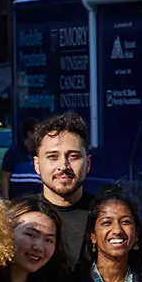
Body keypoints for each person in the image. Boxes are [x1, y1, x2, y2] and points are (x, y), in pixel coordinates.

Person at [29, 112, 95, 273]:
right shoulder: (19, 217)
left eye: (73, 156)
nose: (63, 166)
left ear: (87, 163)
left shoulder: (105, 216)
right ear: (37, 164)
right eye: (53, 157)